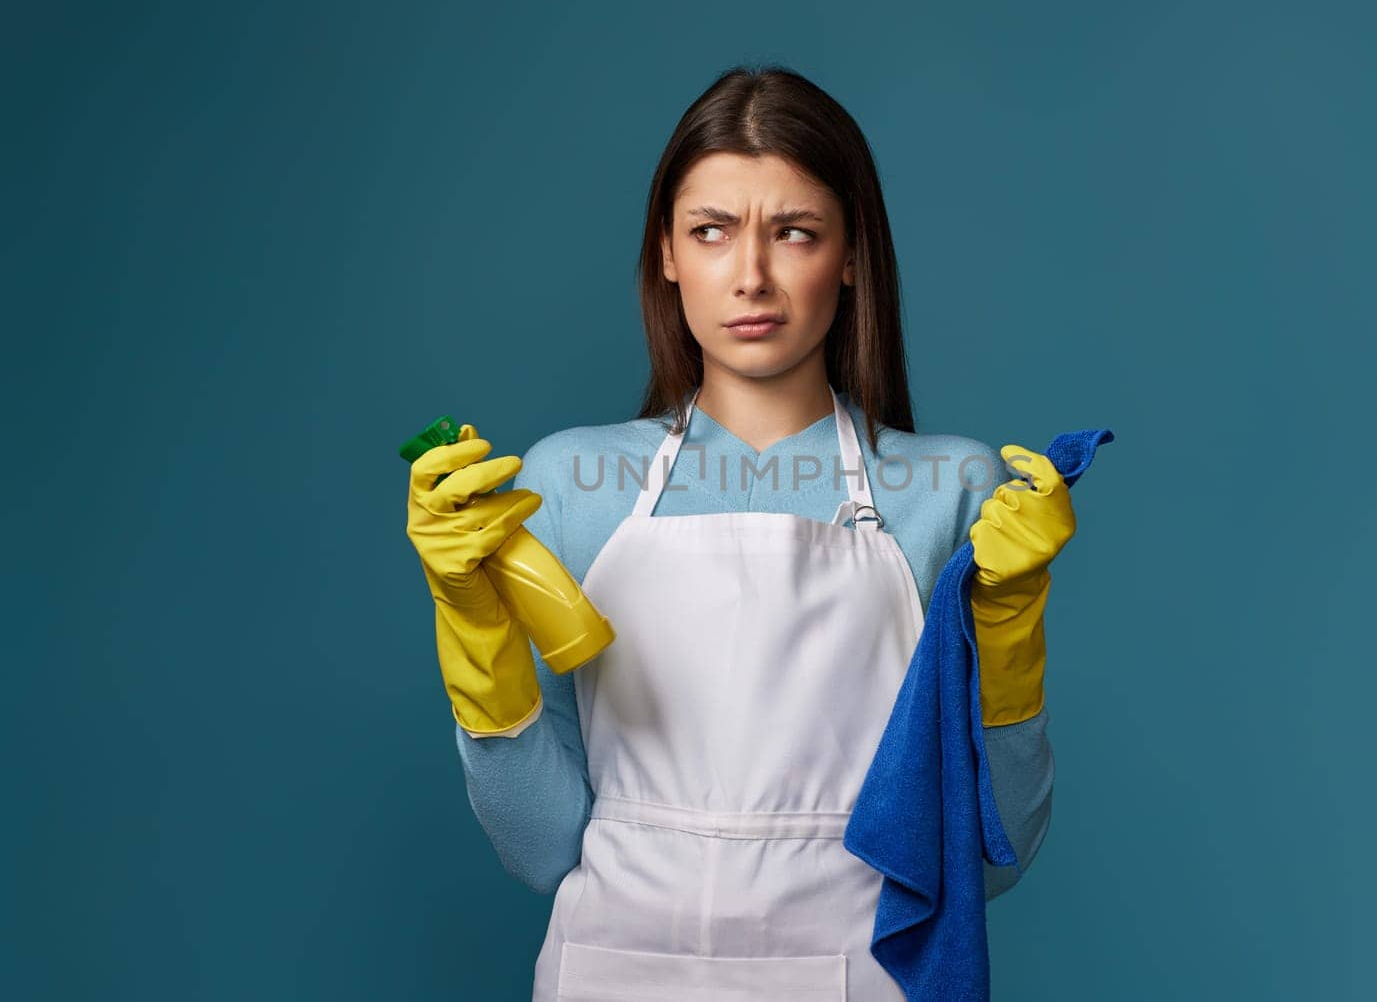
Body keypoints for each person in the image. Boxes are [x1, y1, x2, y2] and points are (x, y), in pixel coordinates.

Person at [405, 65, 1077, 1000]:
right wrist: (471, 626)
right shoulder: (568, 485)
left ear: (849, 255)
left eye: (794, 232)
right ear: (668, 254)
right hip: (614, 971)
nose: (750, 276)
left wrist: (1007, 628)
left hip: (852, 969)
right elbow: (539, 848)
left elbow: (994, 859)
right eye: (711, 232)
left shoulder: (954, 490)